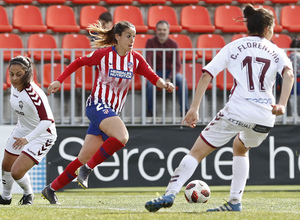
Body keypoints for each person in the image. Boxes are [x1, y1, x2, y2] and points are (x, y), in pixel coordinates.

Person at [145, 4, 294, 212]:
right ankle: (234, 202)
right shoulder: (276, 51)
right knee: (240, 147)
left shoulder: (234, 46)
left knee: (196, 153)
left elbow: (207, 74)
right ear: (268, 28)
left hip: (237, 111)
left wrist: (193, 108)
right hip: (265, 116)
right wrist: (282, 104)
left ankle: (170, 193)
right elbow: (289, 75)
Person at [41, 20, 174, 204]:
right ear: (117, 37)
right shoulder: (104, 55)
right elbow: (79, 62)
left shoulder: (135, 59)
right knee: (122, 137)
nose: (132, 40)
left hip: (111, 112)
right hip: (97, 105)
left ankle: (51, 188)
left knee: (83, 157)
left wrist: (165, 84)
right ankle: (87, 170)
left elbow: (153, 76)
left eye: (134, 37)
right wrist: (59, 80)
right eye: (128, 36)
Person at [0, 56, 57, 205]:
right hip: (22, 130)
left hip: (43, 135)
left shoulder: (34, 94)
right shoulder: (13, 87)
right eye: (11, 74)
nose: (14, 78)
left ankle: (28, 194)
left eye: (19, 74)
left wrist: (28, 138)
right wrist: (23, 132)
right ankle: (5, 198)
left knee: (16, 172)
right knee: (6, 166)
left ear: (27, 73)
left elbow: (47, 120)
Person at [145, 20, 188, 117]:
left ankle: (184, 111)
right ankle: (150, 112)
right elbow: (148, 61)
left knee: (182, 81)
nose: (162, 32)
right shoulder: (150, 42)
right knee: (150, 84)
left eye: (164, 30)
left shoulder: (173, 44)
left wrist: (170, 78)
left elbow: (177, 64)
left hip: (170, 72)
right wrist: (154, 77)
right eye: (159, 29)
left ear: (168, 31)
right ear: (156, 30)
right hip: (156, 72)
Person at [288, 38, 300, 116]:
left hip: (294, 79)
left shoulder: (290, 55)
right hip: (295, 79)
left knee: (293, 97)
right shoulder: (291, 55)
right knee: (294, 97)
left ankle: (294, 113)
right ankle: (294, 113)